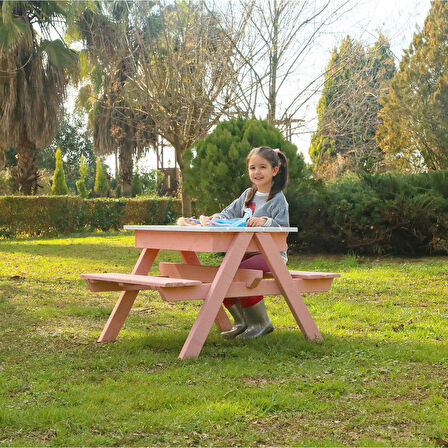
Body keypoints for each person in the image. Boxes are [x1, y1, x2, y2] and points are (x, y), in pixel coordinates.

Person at [207, 146, 290, 339]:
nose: (257, 172)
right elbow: (228, 213)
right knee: (223, 272)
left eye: (262, 167)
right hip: (244, 253)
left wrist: (265, 221)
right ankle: (241, 321)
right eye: (252, 168)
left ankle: (260, 322)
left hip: (272, 255)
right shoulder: (248, 195)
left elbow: (284, 228)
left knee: (238, 274)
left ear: (274, 170)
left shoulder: (278, 199)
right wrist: (216, 217)